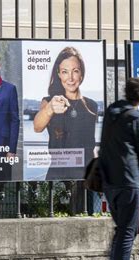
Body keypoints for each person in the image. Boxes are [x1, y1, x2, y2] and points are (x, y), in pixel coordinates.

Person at [97, 77, 139, 260]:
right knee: (127, 232)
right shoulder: (137, 119)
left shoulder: (112, 112)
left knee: (121, 231)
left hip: (110, 182)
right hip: (129, 182)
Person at [33, 46, 98, 180]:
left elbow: (91, 146)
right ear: (58, 74)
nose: (70, 78)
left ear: (81, 74)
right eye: (64, 72)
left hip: (87, 175)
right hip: (59, 174)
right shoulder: (49, 101)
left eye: (75, 71)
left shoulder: (92, 106)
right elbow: (37, 127)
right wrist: (50, 109)